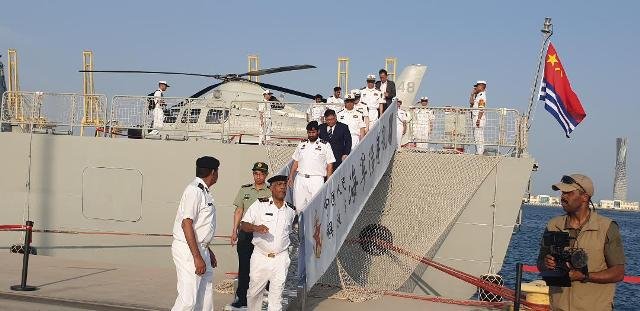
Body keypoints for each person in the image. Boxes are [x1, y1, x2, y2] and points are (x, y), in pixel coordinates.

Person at [537, 174, 625, 311]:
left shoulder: (607, 227)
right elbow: (540, 263)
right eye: (562, 192)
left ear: (585, 197)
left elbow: (618, 273)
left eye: (568, 193)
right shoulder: (553, 225)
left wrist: (584, 276)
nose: (563, 197)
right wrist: (547, 264)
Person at [240, 175, 297, 311]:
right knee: (254, 293)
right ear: (271, 188)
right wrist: (256, 227)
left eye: (284, 184)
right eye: (278, 184)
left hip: (280, 258)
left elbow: (290, 232)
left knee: (276, 297)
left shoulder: (291, 210)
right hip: (261, 257)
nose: (282, 187)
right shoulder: (260, 204)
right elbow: (244, 224)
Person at [171, 156, 219, 311]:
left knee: (204, 299)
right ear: (213, 172)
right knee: (188, 300)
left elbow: (200, 226)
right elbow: (186, 224)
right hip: (189, 250)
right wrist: (197, 257)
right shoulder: (194, 190)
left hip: (200, 248)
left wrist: (207, 250)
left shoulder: (203, 190)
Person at [228, 162, 272, 310]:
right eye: (255, 173)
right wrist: (234, 231)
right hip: (245, 234)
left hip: (262, 236)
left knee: (261, 267)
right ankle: (242, 298)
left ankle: (261, 296)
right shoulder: (244, 190)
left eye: (260, 174)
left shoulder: (270, 191)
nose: (257, 176)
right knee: (244, 266)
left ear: (265, 175)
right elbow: (239, 211)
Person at [287, 121, 335, 213]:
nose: (311, 135)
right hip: (300, 178)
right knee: (298, 207)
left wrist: (328, 180)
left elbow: (330, 164)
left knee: (315, 208)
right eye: (309, 132)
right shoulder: (302, 144)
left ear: (318, 132)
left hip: (316, 179)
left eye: (313, 132)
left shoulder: (325, 145)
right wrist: (291, 176)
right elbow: (296, 161)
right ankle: (299, 226)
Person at [470, 81, 487, 155]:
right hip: (475, 117)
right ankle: (478, 151)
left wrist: (479, 119)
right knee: (476, 135)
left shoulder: (482, 96)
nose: (476, 88)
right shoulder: (478, 95)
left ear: (481, 86)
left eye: (477, 86)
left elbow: (481, 108)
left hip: (478, 118)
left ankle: (480, 152)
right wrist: (472, 94)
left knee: (479, 135)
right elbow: (471, 103)